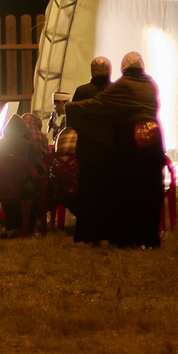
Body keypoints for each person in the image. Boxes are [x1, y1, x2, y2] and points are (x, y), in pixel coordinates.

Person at [69, 51, 163, 249]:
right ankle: (150, 238)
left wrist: (71, 108)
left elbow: (98, 105)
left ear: (124, 68)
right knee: (150, 193)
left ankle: (128, 238)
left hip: (134, 145)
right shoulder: (151, 85)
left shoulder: (123, 85)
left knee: (130, 191)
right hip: (154, 143)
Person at [66, 56, 114, 243]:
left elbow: (74, 120)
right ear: (109, 71)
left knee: (87, 190)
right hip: (109, 149)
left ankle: (85, 232)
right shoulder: (114, 91)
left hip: (87, 148)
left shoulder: (81, 91)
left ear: (91, 71)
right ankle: (107, 230)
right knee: (108, 190)